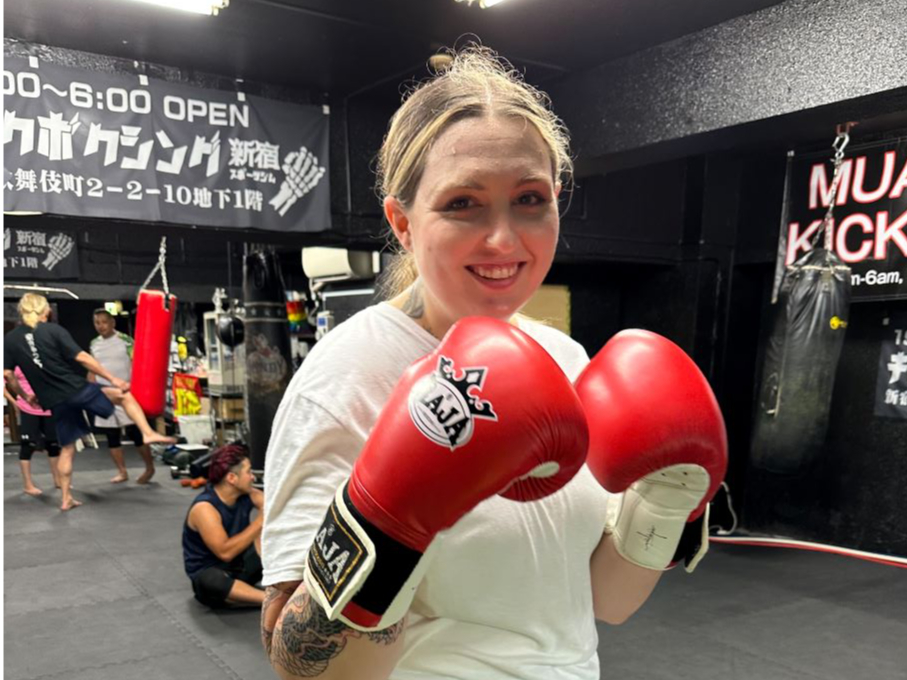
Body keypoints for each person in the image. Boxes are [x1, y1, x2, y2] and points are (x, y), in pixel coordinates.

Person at [259, 46, 726, 680]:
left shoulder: (566, 360)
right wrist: (391, 520)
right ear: (402, 222)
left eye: (530, 198)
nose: (504, 238)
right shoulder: (350, 376)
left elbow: (605, 602)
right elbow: (297, 665)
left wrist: (663, 506)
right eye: (462, 203)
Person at [3, 293, 175, 511]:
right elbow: (82, 358)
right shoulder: (53, 330)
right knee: (123, 396)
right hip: (75, 389)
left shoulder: (10, 339)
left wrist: (26, 396)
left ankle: (66, 498)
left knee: (67, 449)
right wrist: (113, 379)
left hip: (55, 401)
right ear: (46, 311)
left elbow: (7, 374)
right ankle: (148, 433)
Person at [182, 444, 265, 608]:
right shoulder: (205, 508)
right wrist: (261, 520)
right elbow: (225, 553)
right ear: (232, 478)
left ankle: (250, 593)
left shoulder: (245, 493)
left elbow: (272, 507)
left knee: (274, 534)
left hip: (240, 567)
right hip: (213, 576)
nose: (253, 477)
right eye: (248, 472)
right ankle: (269, 600)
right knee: (211, 581)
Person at [88, 308, 155, 484]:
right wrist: (90, 389)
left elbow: (138, 364)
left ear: (112, 323)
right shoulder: (94, 344)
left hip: (126, 393)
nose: (101, 326)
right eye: (97, 323)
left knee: (135, 432)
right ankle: (122, 471)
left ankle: (149, 468)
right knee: (112, 435)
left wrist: (137, 387)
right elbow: (92, 368)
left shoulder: (126, 341)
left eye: (104, 322)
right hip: (105, 393)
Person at [5, 368, 62, 496]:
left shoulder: (44, 361)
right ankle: (28, 485)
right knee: (28, 446)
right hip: (28, 408)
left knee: (53, 445)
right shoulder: (17, 364)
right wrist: (14, 403)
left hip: (48, 407)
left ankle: (58, 480)